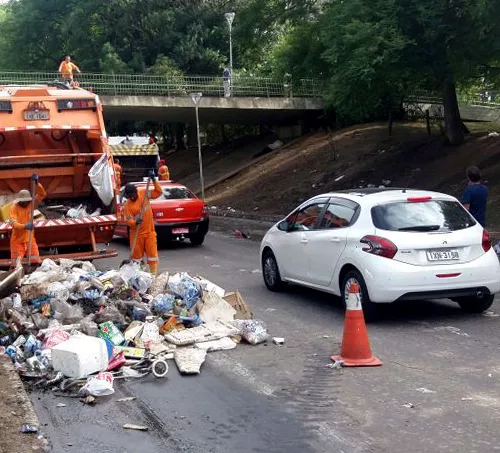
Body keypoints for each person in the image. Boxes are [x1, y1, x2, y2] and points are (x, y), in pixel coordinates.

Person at [122, 173, 163, 274]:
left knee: (152, 256)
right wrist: (135, 222)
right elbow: (128, 221)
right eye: (129, 196)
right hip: (137, 234)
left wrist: (154, 180)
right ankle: (139, 275)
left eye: (133, 195)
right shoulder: (127, 206)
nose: (132, 197)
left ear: (136, 192)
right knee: (136, 258)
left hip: (149, 232)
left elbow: (158, 192)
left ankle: (153, 276)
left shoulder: (144, 193)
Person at [8, 175, 47, 266]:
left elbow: (42, 194)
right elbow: (13, 224)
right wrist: (25, 226)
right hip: (17, 240)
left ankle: (33, 274)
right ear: (20, 201)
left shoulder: (30, 204)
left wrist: (38, 184)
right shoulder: (14, 208)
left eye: (27, 201)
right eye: (24, 201)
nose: (26, 203)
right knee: (16, 264)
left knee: (35, 260)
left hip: (29, 239)